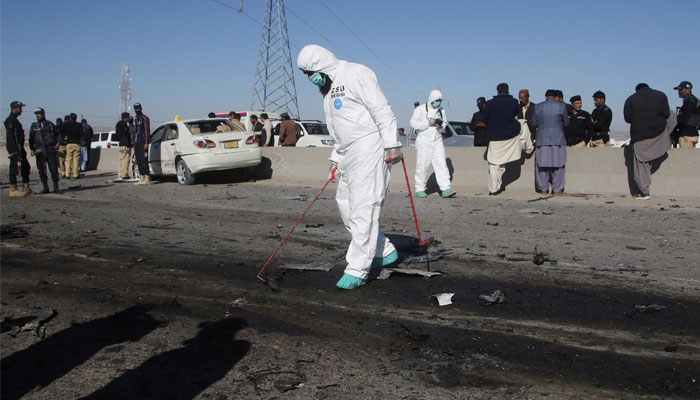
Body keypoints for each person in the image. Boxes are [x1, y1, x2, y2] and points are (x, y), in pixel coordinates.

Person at [297, 44, 403, 290]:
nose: (310, 79)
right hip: (347, 152)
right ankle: (383, 250)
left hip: (370, 146)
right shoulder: (329, 87)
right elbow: (340, 125)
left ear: (320, 65)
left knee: (364, 207)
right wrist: (336, 156)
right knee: (345, 204)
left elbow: (381, 109)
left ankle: (358, 268)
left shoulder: (356, 73)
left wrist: (391, 145)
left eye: (309, 73)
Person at [482, 83, 532, 194]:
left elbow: (484, 119)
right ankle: (528, 148)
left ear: (497, 91)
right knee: (523, 123)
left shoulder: (490, 103)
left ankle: (494, 188)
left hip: (495, 138)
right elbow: (517, 115)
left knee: (494, 164)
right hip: (510, 137)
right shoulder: (514, 102)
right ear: (508, 91)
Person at [623, 83, 671, 199]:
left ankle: (644, 192)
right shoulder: (661, 95)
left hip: (640, 137)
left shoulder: (631, 99)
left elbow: (628, 118)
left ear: (637, 90)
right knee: (674, 115)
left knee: (641, 165)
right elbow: (667, 114)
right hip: (659, 136)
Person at [410, 89, 456, 198]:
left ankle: (446, 188)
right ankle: (420, 188)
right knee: (423, 165)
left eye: (440, 100)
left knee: (441, 163)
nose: (438, 102)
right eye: (437, 100)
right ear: (431, 99)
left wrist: (440, 126)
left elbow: (444, 123)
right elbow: (413, 123)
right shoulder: (420, 109)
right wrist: (428, 123)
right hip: (424, 140)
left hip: (437, 140)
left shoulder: (441, 110)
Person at [532, 89, 570, 194]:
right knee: (559, 165)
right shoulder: (562, 106)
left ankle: (543, 188)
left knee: (542, 165)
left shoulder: (538, 106)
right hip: (558, 139)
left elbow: (533, 122)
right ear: (555, 97)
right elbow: (566, 122)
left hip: (542, 139)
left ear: (545, 97)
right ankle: (557, 189)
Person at [4, 101, 33, 197]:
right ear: (14, 109)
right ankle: (13, 189)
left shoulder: (15, 121)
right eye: (20, 108)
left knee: (25, 167)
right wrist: (14, 151)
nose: (21, 110)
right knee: (14, 168)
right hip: (15, 149)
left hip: (20, 148)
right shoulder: (10, 121)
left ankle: (26, 187)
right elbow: (11, 137)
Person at [29, 108, 61, 194]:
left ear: (43, 114)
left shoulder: (49, 124)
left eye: (39, 113)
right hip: (39, 150)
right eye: (36, 114)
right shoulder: (34, 126)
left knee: (53, 169)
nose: (37, 115)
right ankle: (45, 187)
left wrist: (58, 143)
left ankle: (56, 187)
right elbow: (31, 138)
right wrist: (32, 149)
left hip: (50, 149)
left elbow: (57, 133)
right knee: (41, 170)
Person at [673, 81, 699, 148]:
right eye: (678, 90)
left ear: (688, 89)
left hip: (687, 134)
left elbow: (685, 118)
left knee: (686, 156)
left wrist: (677, 125)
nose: (679, 91)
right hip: (691, 133)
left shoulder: (690, 101)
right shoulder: (693, 100)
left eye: (681, 89)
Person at [133, 103, 151, 185]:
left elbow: (147, 131)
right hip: (137, 141)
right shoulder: (136, 119)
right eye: (136, 109)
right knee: (138, 159)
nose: (137, 110)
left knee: (144, 159)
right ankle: (141, 176)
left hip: (143, 141)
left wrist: (146, 142)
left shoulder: (145, 118)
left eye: (138, 108)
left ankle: (147, 177)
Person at [63, 113, 83, 180]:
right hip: (77, 143)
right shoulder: (79, 125)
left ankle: (67, 174)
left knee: (68, 159)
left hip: (69, 143)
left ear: (70, 118)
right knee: (76, 160)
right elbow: (82, 134)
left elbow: (63, 133)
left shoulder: (67, 125)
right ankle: (75, 174)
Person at [115, 112, 132, 179]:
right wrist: (128, 145)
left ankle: (120, 174)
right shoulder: (124, 125)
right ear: (126, 117)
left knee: (121, 160)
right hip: (125, 145)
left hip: (121, 144)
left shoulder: (118, 124)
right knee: (126, 159)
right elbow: (125, 136)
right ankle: (124, 174)